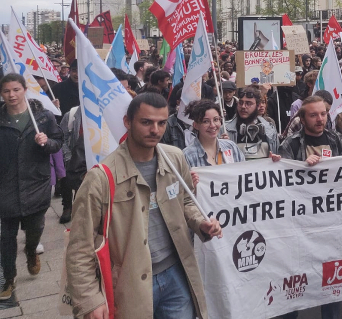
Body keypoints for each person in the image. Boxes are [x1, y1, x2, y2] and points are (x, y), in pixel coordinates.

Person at [65, 93, 223, 319]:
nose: (155, 130)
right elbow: (80, 245)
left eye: (161, 123)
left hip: (176, 276)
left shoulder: (175, 158)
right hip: (129, 286)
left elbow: (186, 200)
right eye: (146, 122)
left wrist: (201, 223)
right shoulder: (100, 178)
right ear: (128, 122)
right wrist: (90, 300)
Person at [276, 96, 342, 319]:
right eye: (313, 115)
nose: (320, 119)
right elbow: (279, 184)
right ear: (302, 119)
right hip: (300, 226)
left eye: (323, 114)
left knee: (332, 279)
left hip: (331, 223)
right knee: (294, 279)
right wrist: (301, 168)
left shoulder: (335, 140)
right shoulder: (290, 144)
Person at [0, 73, 64, 300]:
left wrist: (47, 142)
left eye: (16, 90)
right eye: (6, 91)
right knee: (6, 236)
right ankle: (8, 278)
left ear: (24, 90)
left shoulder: (42, 117)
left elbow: (58, 143)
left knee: (35, 228)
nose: (11, 95)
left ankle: (30, 252)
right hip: (5, 187)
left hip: (35, 184)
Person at [183, 100, 244, 171]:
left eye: (216, 119)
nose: (212, 125)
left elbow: (244, 173)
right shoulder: (187, 155)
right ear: (196, 125)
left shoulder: (231, 147)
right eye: (206, 121)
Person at [225, 86, 279, 159]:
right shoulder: (225, 130)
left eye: (248, 103)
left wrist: (275, 159)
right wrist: (222, 146)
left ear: (257, 106)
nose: (243, 106)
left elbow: (278, 156)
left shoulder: (270, 130)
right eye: (240, 103)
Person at [59, 98, 87, 224]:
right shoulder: (71, 115)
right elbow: (61, 137)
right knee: (66, 182)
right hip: (71, 155)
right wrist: (68, 156)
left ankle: (78, 207)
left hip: (88, 159)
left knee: (82, 186)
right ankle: (67, 207)